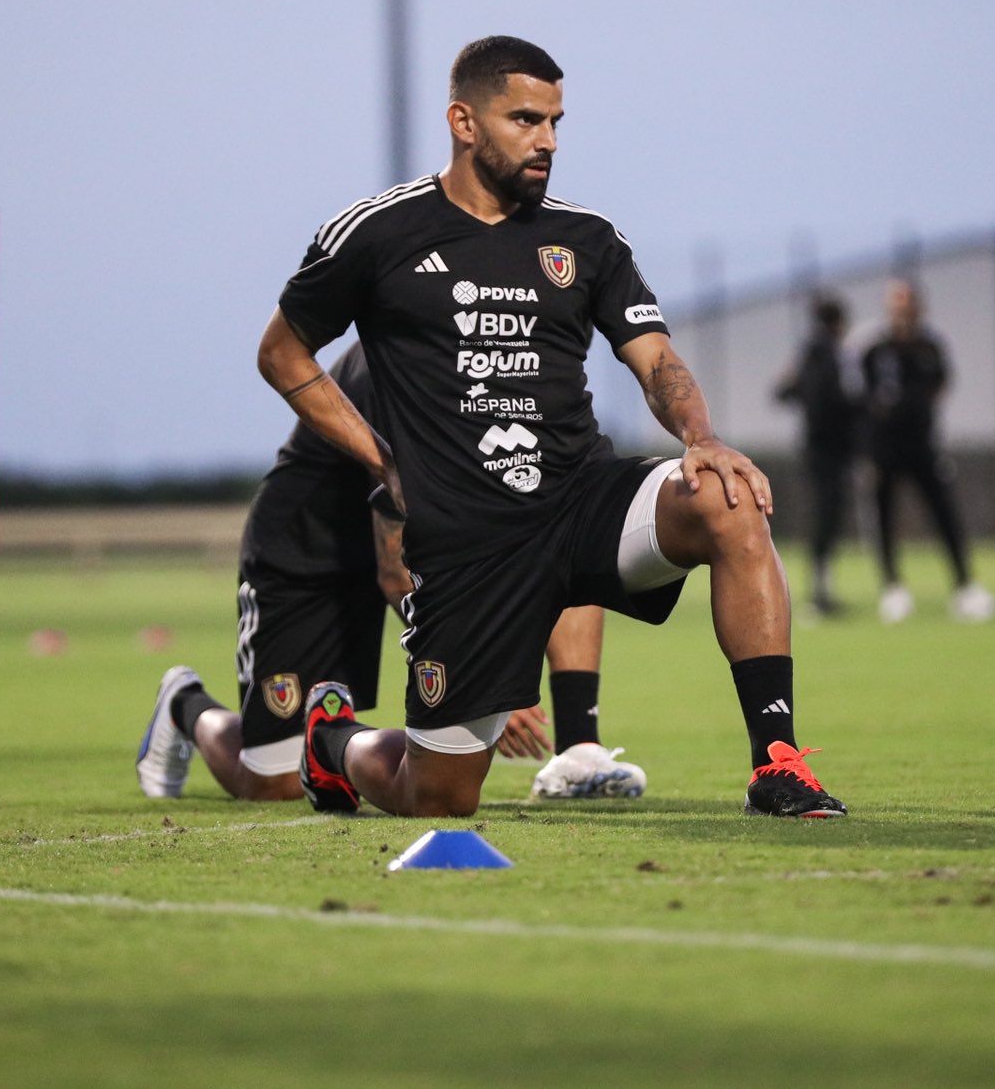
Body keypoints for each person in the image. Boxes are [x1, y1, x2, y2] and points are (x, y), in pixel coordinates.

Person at [255, 35, 846, 820]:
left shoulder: (587, 240)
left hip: (579, 501)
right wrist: (380, 460)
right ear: (464, 122)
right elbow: (282, 352)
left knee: (726, 498)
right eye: (526, 119)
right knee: (435, 797)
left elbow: (655, 358)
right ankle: (334, 744)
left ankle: (778, 763)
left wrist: (700, 438)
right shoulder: (379, 233)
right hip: (467, 545)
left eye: (557, 122)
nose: (548, 142)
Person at [136, 344, 647, 803]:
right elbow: (397, 570)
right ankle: (186, 703)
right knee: (272, 782)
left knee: (560, 530)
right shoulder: (403, 365)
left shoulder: (513, 364)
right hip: (307, 552)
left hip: (416, 536)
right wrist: (483, 674)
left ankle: (580, 749)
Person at [858, 278, 995, 623]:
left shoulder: (930, 347)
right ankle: (893, 588)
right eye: (896, 306)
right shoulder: (875, 349)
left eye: (907, 306)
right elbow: (863, 399)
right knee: (884, 516)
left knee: (944, 512)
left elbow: (941, 386)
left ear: (919, 309)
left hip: (922, 444)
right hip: (885, 448)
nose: (901, 313)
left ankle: (965, 586)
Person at [772, 294, 860, 617]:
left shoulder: (809, 354)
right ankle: (819, 594)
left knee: (825, 520)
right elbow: (835, 400)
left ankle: (821, 590)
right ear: (838, 322)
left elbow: (784, 392)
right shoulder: (830, 355)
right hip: (829, 452)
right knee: (827, 519)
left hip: (815, 449)